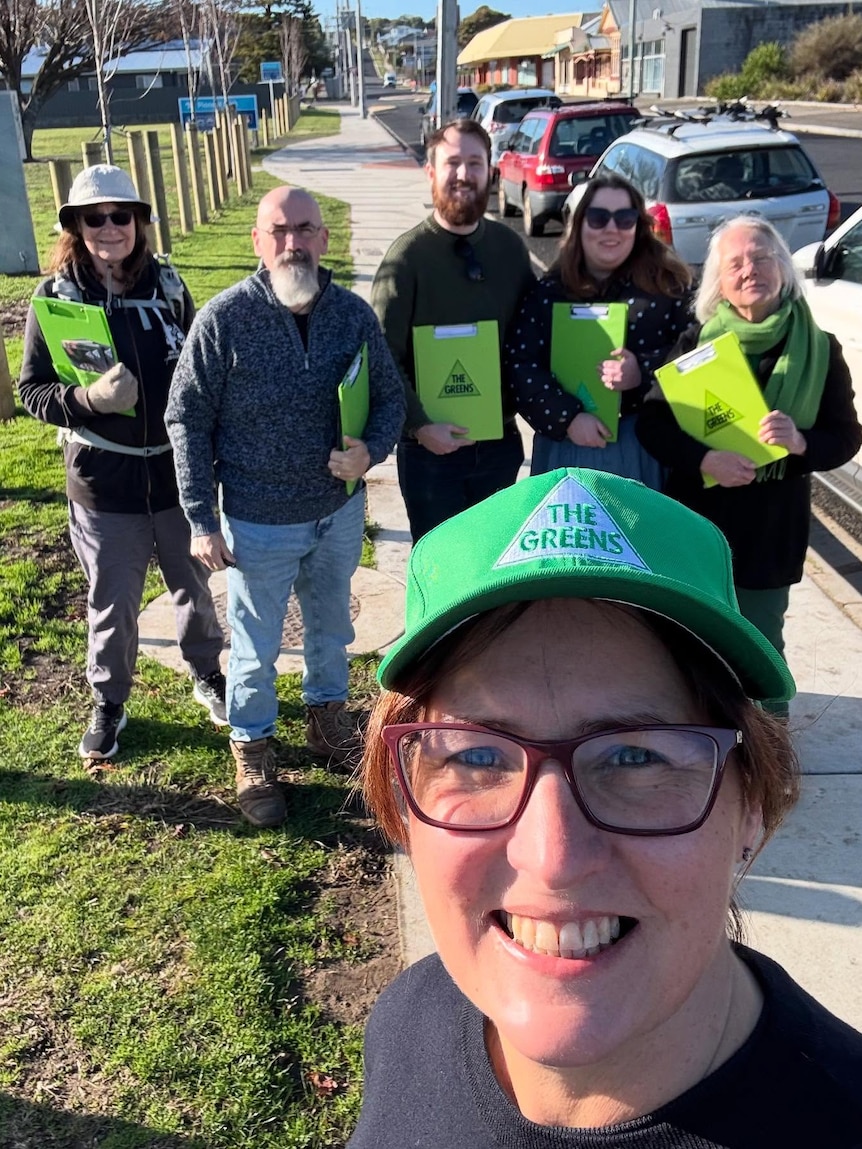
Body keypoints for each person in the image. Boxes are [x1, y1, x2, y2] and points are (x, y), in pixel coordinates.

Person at [350, 467, 862, 1146]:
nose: (553, 857)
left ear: (752, 805)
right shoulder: (410, 1019)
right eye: (476, 755)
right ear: (404, 803)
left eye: (636, 757)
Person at [165, 186, 404, 828]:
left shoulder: (353, 316)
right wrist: (200, 517)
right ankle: (253, 745)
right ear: (258, 242)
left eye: (304, 228)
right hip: (256, 520)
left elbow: (390, 399)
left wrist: (370, 453)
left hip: (337, 511)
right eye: (279, 230)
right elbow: (184, 416)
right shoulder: (223, 319)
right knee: (254, 643)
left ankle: (327, 717)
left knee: (332, 627)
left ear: (324, 239)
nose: (293, 242)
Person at [18, 164, 225, 761]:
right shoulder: (54, 299)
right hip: (102, 484)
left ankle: (208, 673)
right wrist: (89, 402)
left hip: (175, 475)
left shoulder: (168, 286)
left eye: (122, 216)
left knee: (194, 587)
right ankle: (109, 700)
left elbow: (204, 371)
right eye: (95, 217)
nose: (110, 228)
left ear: (139, 222)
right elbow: (32, 389)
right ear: (76, 227)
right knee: (112, 602)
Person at [637, 215, 862, 715]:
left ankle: (769, 756)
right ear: (719, 281)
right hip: (700, 520)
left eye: (761, 256)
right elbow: (652, 425)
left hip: (770, 526)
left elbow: (846, 438)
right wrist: (705, 457)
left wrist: (802, 442)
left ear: (782, 267)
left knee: (761, 648)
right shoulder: (698, 345)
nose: (749, 269)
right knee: (697, 645)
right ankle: (706, 748)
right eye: (734, 262)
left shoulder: (819, 349)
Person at [371, 118, 534, 541]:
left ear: (490, 172)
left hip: (499, 446)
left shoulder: (509, 249)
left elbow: (534, 335)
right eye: (453, 163)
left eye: (475, 163)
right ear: (431, 173)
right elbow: (382, 355)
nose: (464, 174)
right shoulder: (407, 259)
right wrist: (421, 425)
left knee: (496, 567)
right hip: (431, 454)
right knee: (442, 570)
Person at [505, 172, 691, 488]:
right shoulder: (548, 292)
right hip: (566, 449)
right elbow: (520, 365)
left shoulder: (669, 288)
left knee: (639, 537)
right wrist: (567, 418)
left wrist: (643, 373)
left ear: (638, 226)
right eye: (598, 217)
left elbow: (696, 357)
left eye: (624, 218)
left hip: (647, 447)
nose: (611, 228)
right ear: (579, 225)